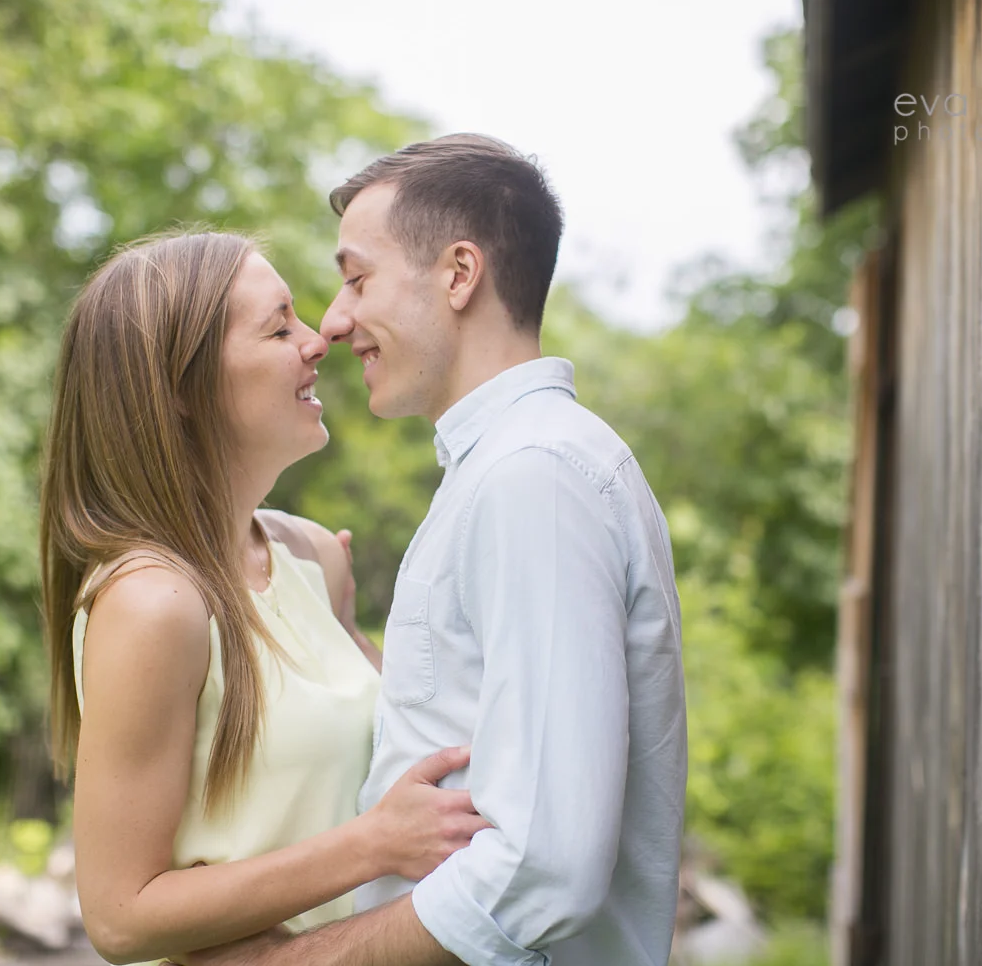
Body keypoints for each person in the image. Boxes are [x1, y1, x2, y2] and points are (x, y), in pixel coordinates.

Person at [188, 134, 688, 966]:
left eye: (357, 279)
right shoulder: (506, 471)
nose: (333, 322)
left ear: (459, 274)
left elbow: (542, 865)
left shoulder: (533, 478)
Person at [37, 229, 490, 966]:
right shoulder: (153, 605)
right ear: (179, 388)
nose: (318, 341)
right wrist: (372, 846)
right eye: (280, 329)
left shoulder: (314, 559)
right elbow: (121, 918)